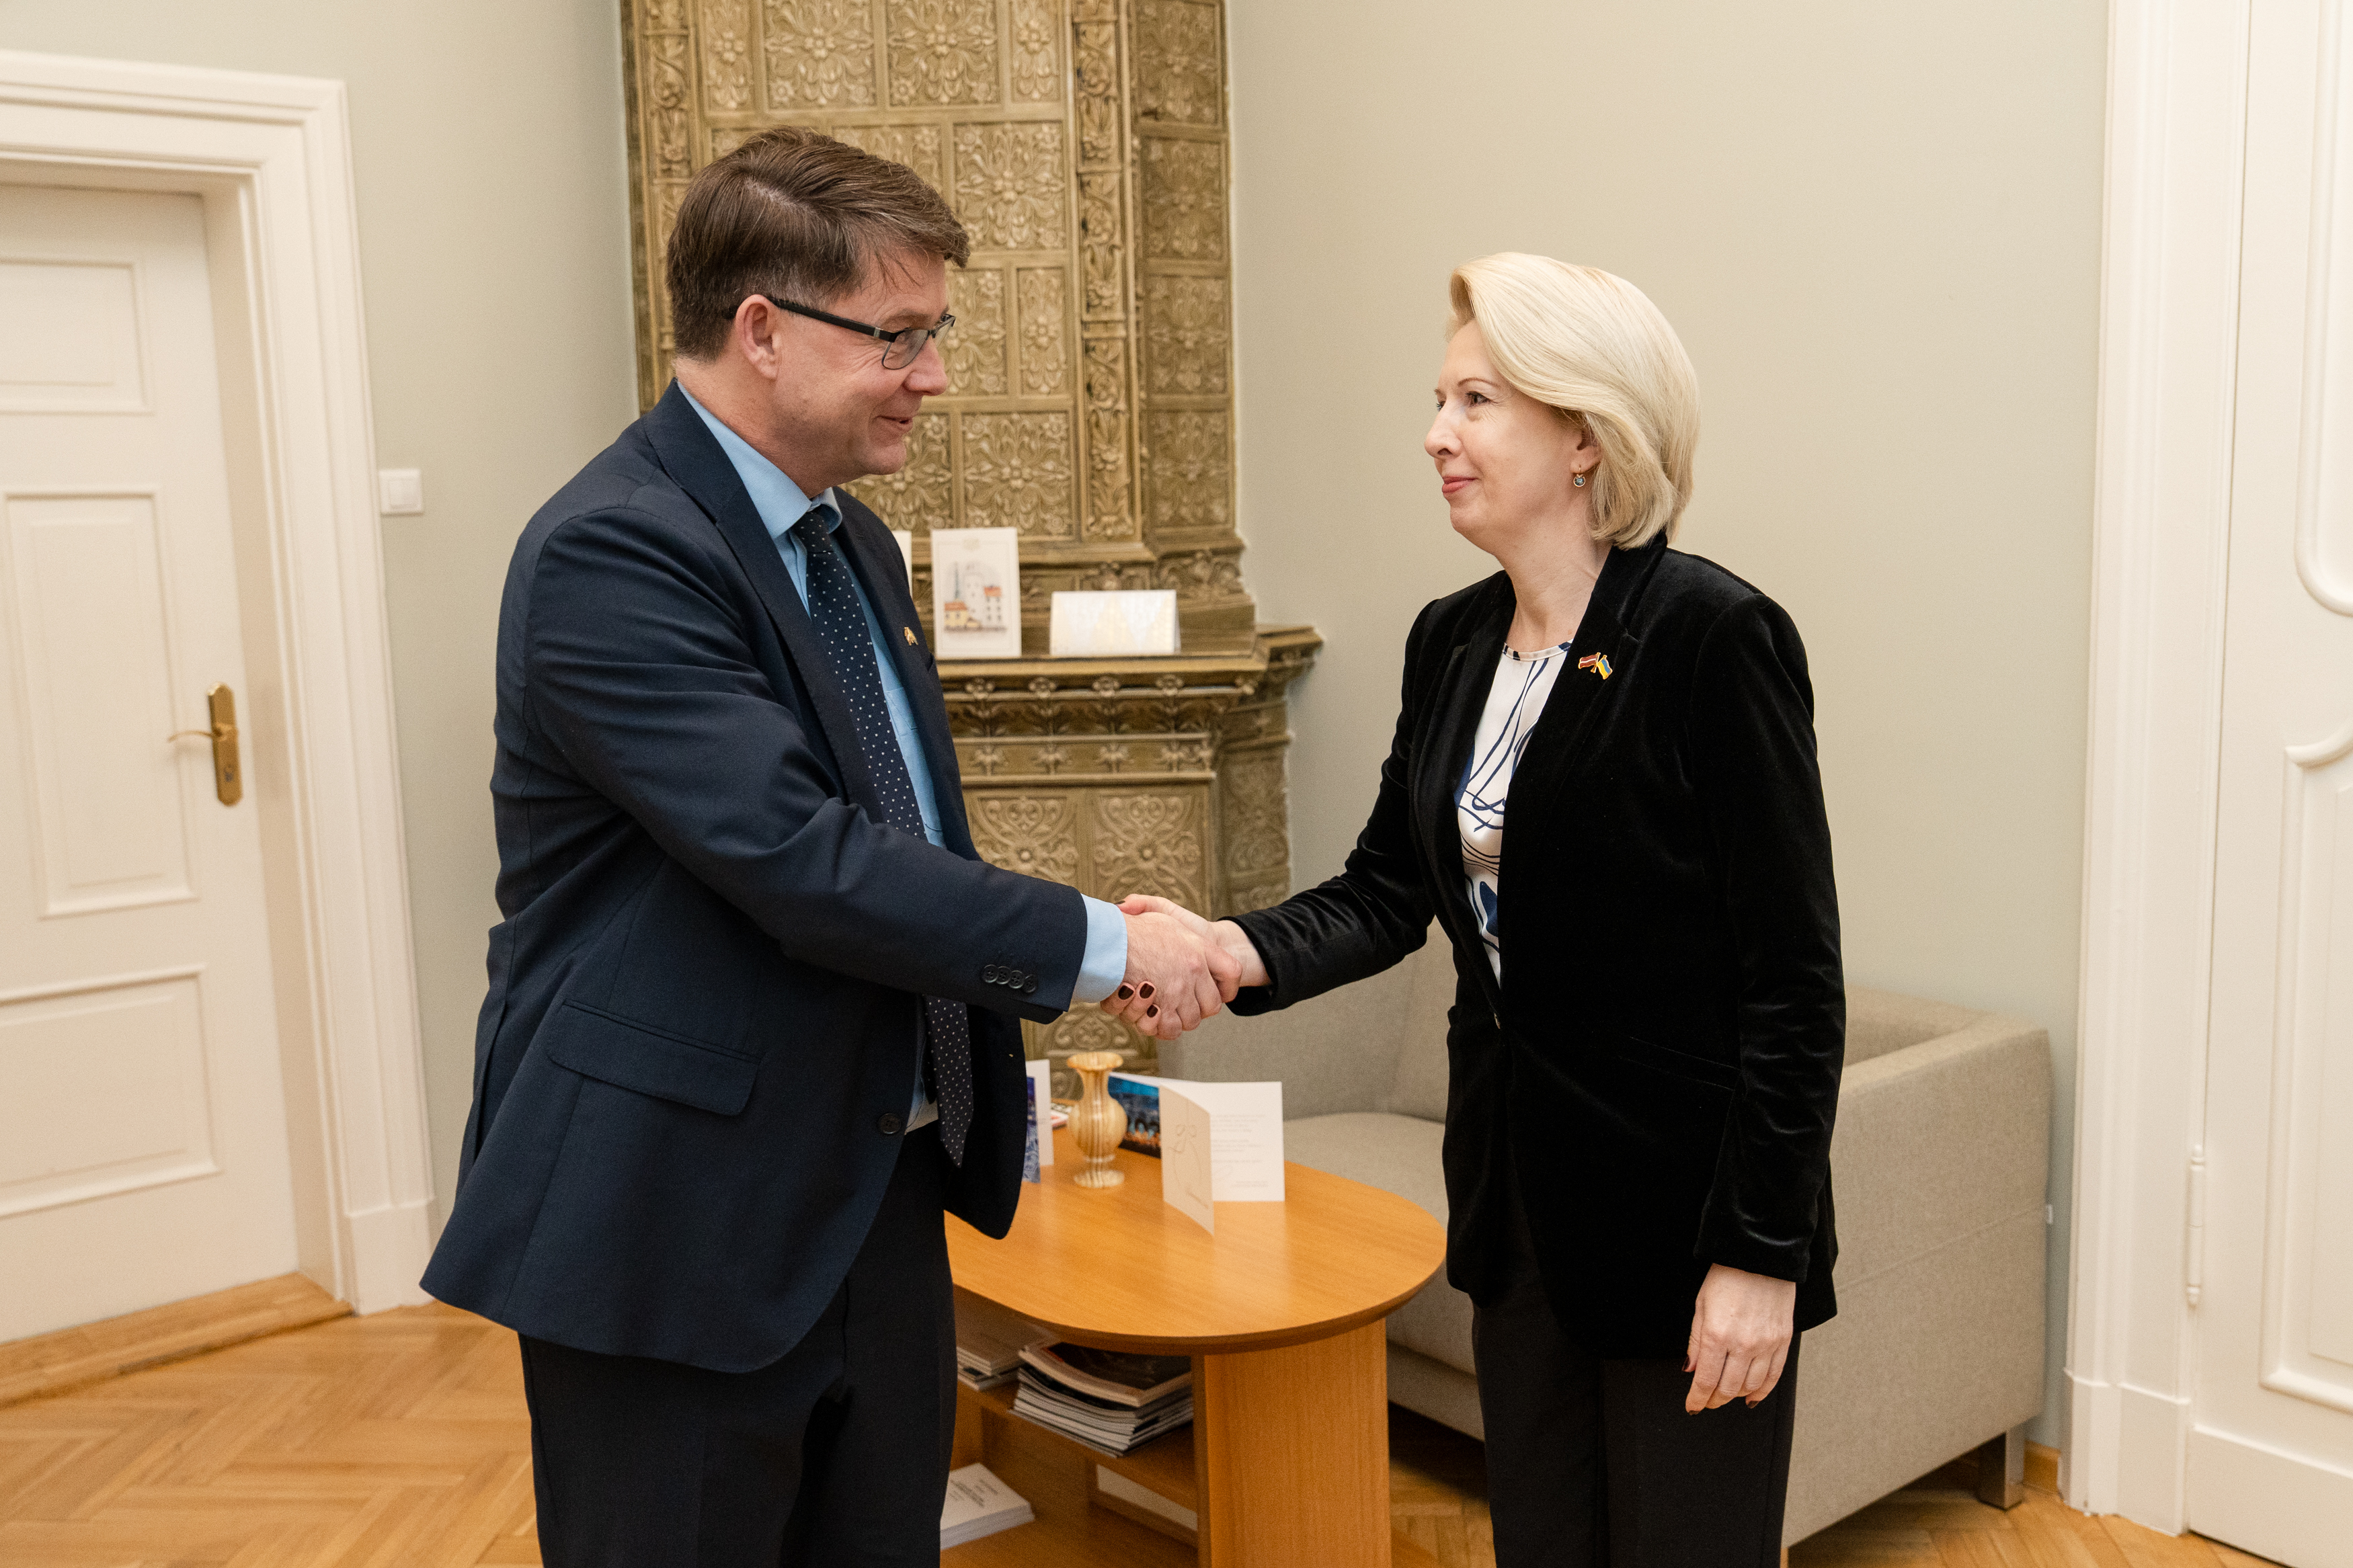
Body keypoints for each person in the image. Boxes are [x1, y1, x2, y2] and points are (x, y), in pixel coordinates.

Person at [422, 128, 1236, 1568]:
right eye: (899, 337)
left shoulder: (849, 540)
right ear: (763, 331)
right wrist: (1107, 945)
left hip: (873, 1182)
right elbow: (806, 861)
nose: (933, 376)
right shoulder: (613, 551)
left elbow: (903, 826)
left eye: (936, 335)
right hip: (674, 1218)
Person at [1111, 253, 1843, 1567]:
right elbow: (1390, 886)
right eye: (1440, 400)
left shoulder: (1711, 638)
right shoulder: (1450, 639)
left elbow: (1792, 984)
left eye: (1477, 401)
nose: (1436, 435)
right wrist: (1229, 949)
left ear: (1585, 434)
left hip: (1681, 1224)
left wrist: (1759, 1254)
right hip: (1516, 1212)